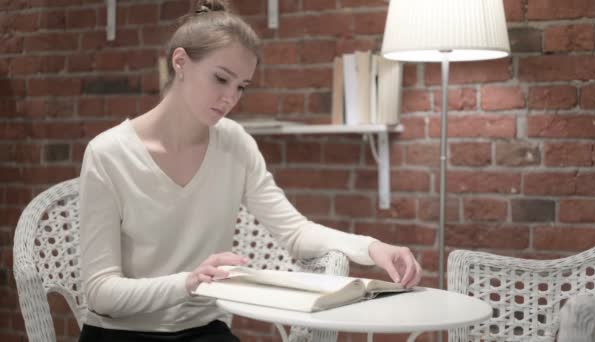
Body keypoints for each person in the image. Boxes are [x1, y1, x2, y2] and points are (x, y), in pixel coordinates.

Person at [78, 0, 422, 341]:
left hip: (202, 331)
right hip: (119, 334)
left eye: (241, 86)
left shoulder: (234, 144)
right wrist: (188, 281)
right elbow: (100, 291)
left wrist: (373, 248)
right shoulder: (108, 154)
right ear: (180, 62)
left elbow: (295, 233)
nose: (230, 98)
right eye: (221, 79)